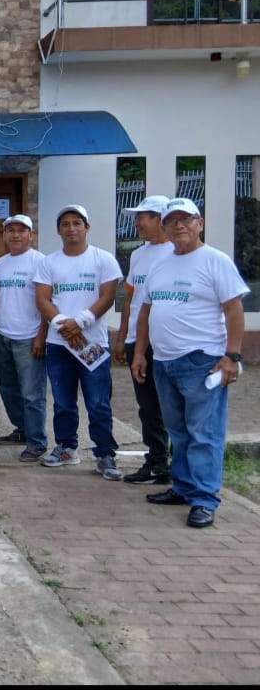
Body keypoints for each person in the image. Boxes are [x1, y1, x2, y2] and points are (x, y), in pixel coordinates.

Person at [133, 198, 249, 529]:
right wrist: (140, 353)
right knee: (178, 431)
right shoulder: (160, 263)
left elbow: (233, 309)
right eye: (172, 221)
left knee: (204, 433)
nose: (179, 225)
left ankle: (204, 499)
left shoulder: (215, 261)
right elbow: (146, 310)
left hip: (202, 361)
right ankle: (183, 487)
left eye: (186, 219)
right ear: (165, 228)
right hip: (164, 361)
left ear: (200, 224)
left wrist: (232, 356)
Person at [33, 204, 124, 479]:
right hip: (60, 344)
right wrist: (65, 326)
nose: (71, 229)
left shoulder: (103, 259)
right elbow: (43, 299)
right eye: (65, 224)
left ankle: (105, 454)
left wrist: (81, 322)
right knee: (63, 401)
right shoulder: (49, 262)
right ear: (58, 230)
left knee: (98, 402)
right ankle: (66, 447)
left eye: (77, 223)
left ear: (87, 227)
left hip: (92, 343)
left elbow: (108, 297)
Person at [112, 195, 174, 485]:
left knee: (172, 406)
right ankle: (157, 461)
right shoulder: (138, 255)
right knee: (148, 406)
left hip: (166, 341)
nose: (137, 223)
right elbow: (131, 300)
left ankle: (177, 465)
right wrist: (122, 337)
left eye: (143, 217)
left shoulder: (177, 252)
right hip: (137, 341)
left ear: (160, 218)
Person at [0, 214, 49, 462]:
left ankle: (37, 441)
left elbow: (47, 302)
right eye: (10, 230)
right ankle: (22, 429)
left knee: (32, 393)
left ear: (30, 235)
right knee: (7, 387)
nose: (15, 235)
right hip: (2, 334)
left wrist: (42, 335)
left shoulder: (41, 262)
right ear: (4, 235)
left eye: (21, 230)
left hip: (29, 337)